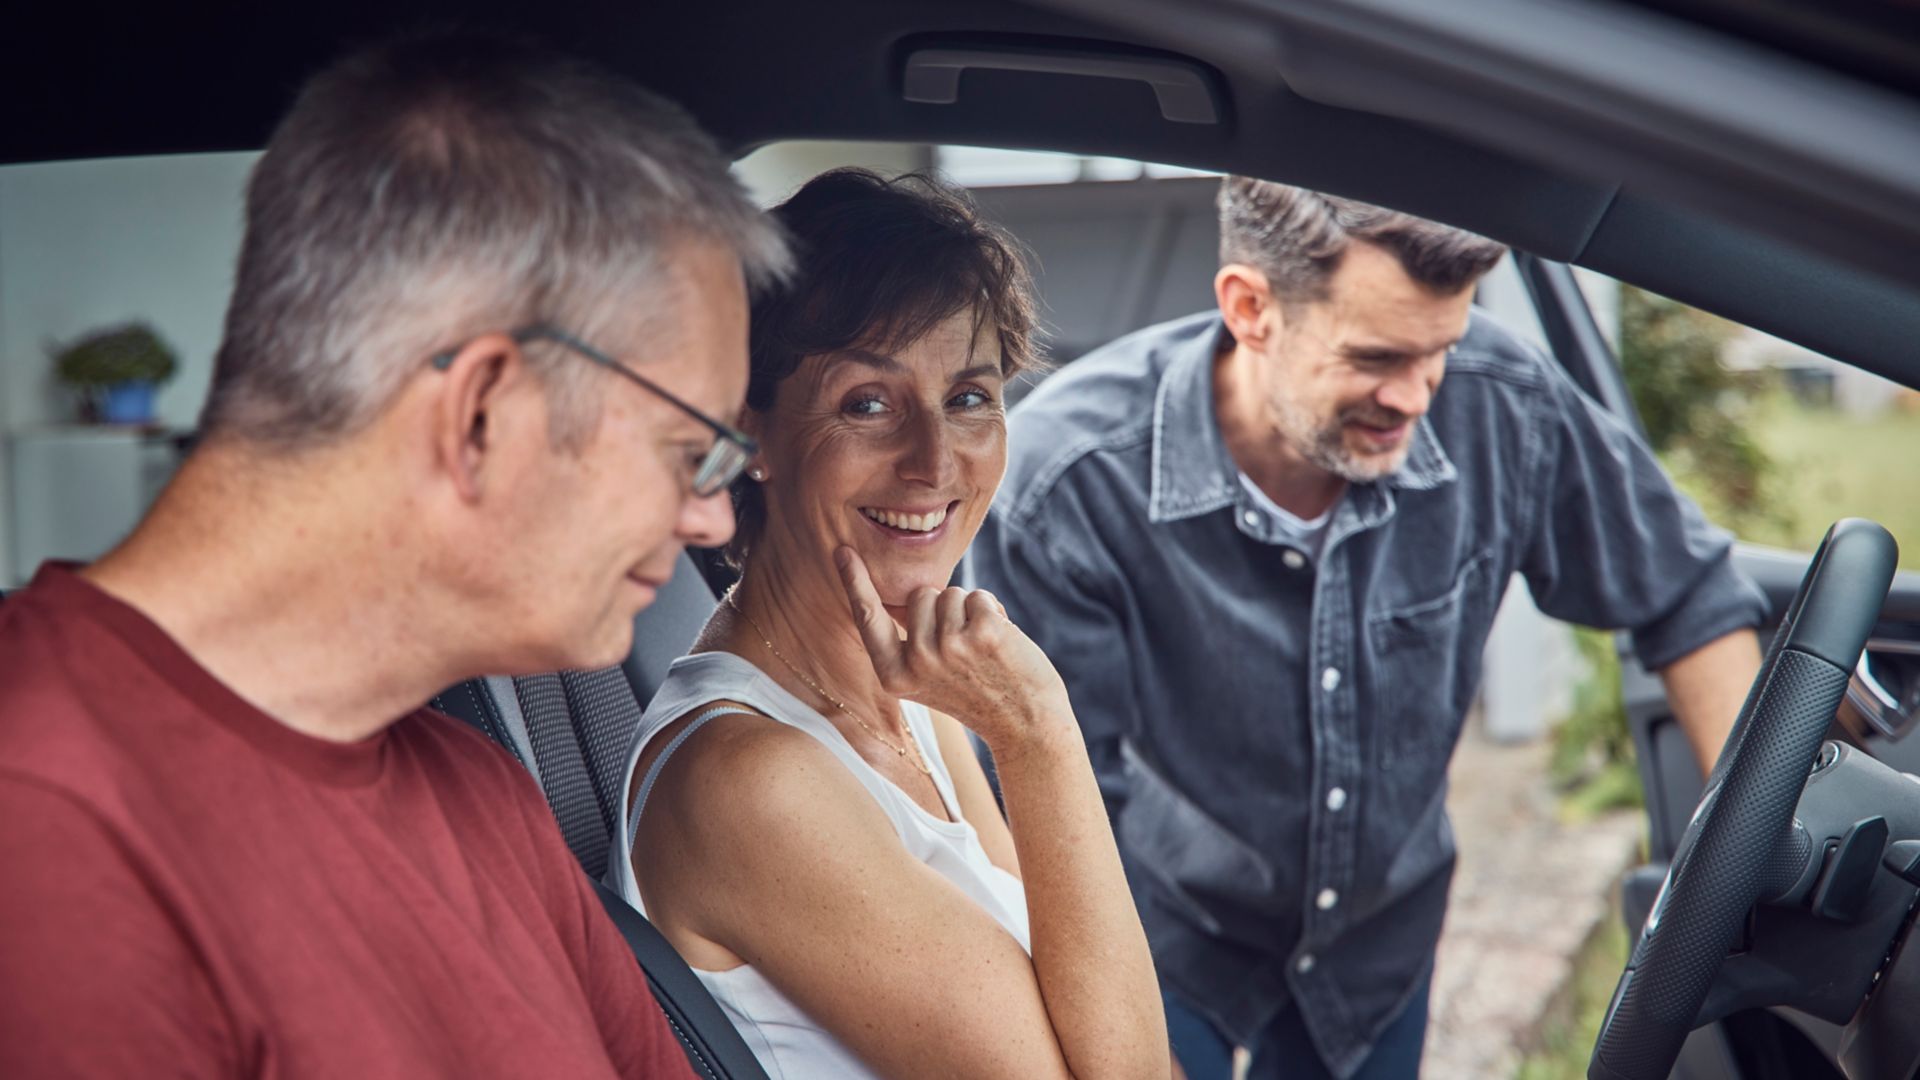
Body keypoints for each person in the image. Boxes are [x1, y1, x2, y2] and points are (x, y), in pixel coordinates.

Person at [0, 33, 789, 1078]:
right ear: (482, 415)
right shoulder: (44, 830)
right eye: (691, 452)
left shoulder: (483, 796)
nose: (713, 523)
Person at [968, 177, 1771, 1080]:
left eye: (1440, 351)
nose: (1418, 396)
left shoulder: (1501, 403)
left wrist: (1756, 866)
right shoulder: (1064, 483)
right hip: (1158, 932)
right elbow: (1034, 804)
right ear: (1250, 307)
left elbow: (1689, 592)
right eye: (1379, 357)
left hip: (1378, 949)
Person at [610, 168, 1170, 1079]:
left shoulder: (914, 692)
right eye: (868, 404)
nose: (935, 460)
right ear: (751, 434)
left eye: (969, 397)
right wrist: (1038, 728)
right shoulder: (753, 782)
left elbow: (1089, 1016)